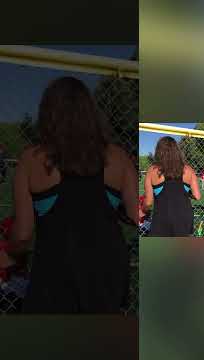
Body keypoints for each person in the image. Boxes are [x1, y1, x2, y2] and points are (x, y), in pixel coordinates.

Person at [8, 76, 137, 313]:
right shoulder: (118, 157)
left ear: (48, 114)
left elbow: (23, 234)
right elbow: (135, 214)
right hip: (108, 272)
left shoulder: (31, 159)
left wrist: (10, 251)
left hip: (56, 276)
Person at [143, 136, 201, 237]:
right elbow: (197, 196)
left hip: (162, 219)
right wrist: (186, 192)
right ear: (176, 151)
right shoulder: (188, 169)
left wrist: (142, 209)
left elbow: (148, 202)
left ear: (159, 151)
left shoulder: (152, 170)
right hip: (184, 218)